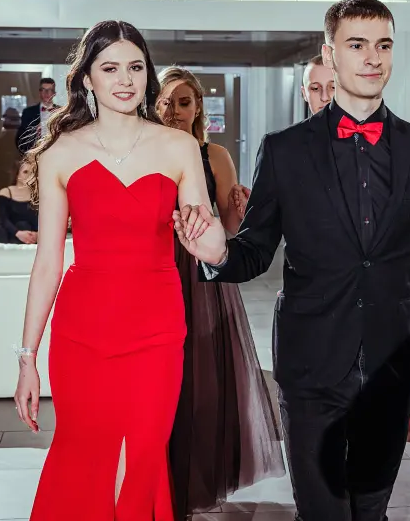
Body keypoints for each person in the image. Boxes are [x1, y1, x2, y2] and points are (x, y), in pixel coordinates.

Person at [174, 0, 410, 521]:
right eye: (357, 45)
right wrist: (217, 253)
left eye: (383, 45)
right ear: (330, 55)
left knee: (371, 508)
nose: (372, 58)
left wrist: (384, 289)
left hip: (391, 359)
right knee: (321, 510)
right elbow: (255, 251)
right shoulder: (284, 150)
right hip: (310, 360)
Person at [13, 20, 226, 521]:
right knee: (86, 457)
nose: (125, 79)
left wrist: (209, 242)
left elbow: (212, 244)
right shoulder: (61, 151)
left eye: (135, 67)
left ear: (148, 74)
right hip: (82, 332)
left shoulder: (177, 147)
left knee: (142, 457)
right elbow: (48, 262)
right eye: (110, 68)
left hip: (157, 328)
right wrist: (27, 358)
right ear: (87, 78)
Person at [156, 67, 285, 519]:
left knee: (201, 381)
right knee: (159, 381)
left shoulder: (216, 156)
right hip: (154, 270)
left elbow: (231, 229)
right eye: (166, 102)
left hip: (199, 276)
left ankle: (193, 482)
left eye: (183, 102)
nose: (174, 111)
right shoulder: (146, 149)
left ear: (198, 108)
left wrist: (238, 212)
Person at [0, 160, 39, 244]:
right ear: (16, 174)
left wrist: (38, 234)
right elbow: (4, 219)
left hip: (35, 239)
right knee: (22, 225)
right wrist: (18, 233)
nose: (29, 176)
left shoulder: (38, 195)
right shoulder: (5, 193)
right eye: (25, 172)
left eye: (32, 173)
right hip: (14, 237)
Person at [16, 78, 59, 154]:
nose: (46, 93)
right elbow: (20, 139)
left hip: (56, 154)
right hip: (35, 155)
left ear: (54, 93)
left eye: (49, 90)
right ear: (39, 92)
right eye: (43, 90)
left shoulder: (61, 111)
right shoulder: (28, 112)